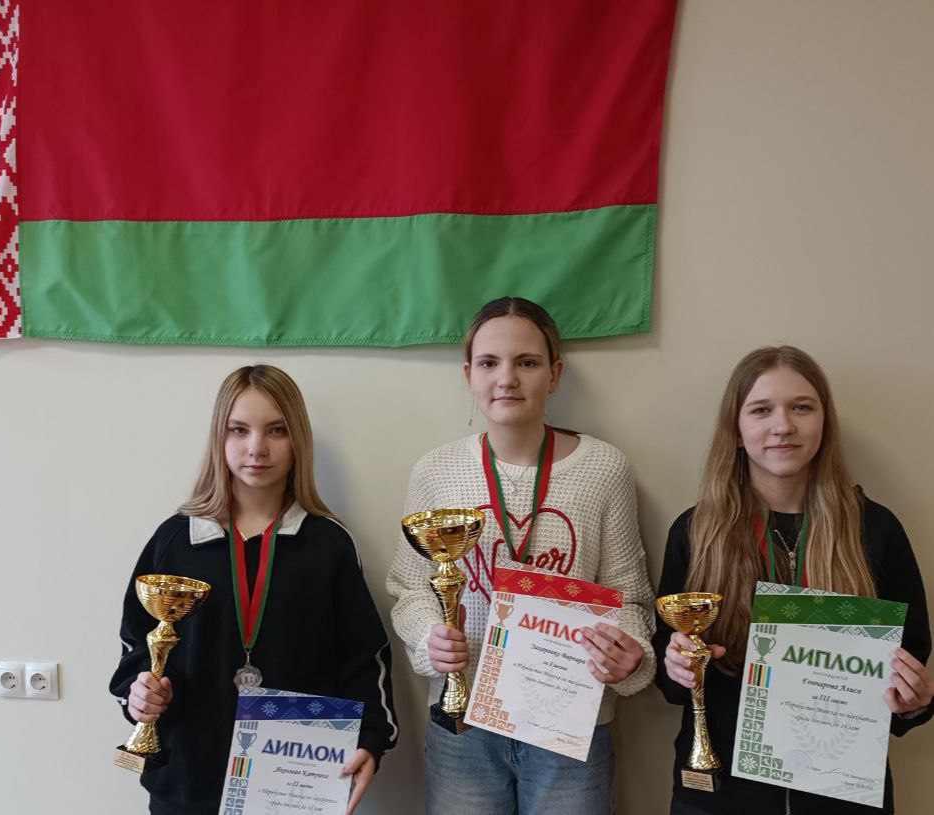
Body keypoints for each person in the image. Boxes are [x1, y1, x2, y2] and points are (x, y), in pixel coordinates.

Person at [386, 296, 655, 815]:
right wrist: (428, 638)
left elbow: (628, 594)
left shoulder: (604, 469)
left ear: (555, 374)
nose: (507, 378)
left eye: (527, 362)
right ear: (469, 374)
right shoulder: (436, 471)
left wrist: (629, 653)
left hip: (569, 721)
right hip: (464, 720)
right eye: (489, 362)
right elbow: (410, 585)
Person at [653, 345, 933, 815]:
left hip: (843, 793)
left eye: (802, 407)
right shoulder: (696, 531)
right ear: (736, 430)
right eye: (761, 410)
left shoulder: (875, 529)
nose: (783, 425)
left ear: (825, 422)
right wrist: (678, 666)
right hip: (723, 793)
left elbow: (911, 656)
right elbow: (670, 678)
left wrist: (914, 702)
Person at [110, 365, 398, 815]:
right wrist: (139, 691)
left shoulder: (328, 544)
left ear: (297, 438)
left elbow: (364, 656)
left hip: (294, 783)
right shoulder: (176, 540)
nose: (257, 448)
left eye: (276, 430)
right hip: (188, 781)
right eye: (239, 430)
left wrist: (370, 738)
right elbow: (138, 643)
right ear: (219, 438)